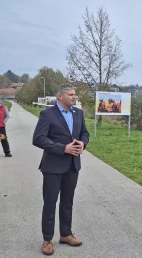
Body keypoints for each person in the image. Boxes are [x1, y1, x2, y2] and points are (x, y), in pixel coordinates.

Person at [32, 84, 90, 256]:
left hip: (72, 165)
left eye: (75, 94)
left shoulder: (77, 113)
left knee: (67, 202)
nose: (75, 97)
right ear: (60, 97)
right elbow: (38, 139)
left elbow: (85, 133)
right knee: (50, 203)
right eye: (71, 94)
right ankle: (47, 239)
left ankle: (66, 234)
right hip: (53, 166)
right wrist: (62, 148)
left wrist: (83, 143)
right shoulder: (47, 114)